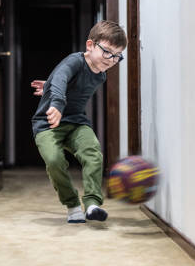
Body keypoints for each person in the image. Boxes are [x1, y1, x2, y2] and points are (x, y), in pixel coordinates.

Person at [31, 20, 127, 224]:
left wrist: (48, 86)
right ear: (90, 45)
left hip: (76, 122)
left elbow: (66, 82)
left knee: (93, 153)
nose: (111, 60)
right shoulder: (75, 60)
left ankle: (92, 204)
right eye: (107, 52)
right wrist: (55, 101)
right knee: (55, 161)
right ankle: (72, 203)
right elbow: (62, 76)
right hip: (48, 123)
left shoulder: (100, 74)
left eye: (117, 56)